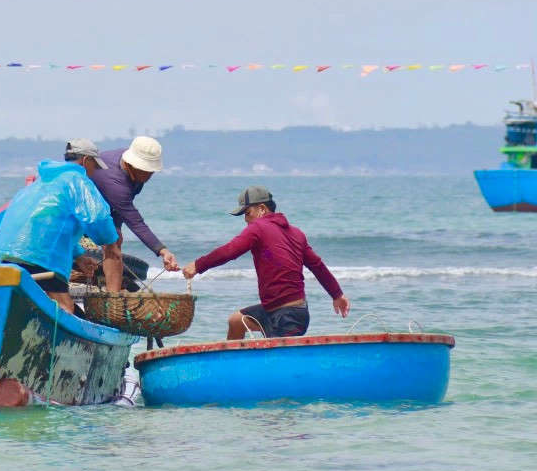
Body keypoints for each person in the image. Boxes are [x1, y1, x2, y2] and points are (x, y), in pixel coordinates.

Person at [182, 186, 349, 340]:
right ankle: (234, 367)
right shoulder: (297, 233)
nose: (246, 219)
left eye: (248, 213)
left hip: (289, 317)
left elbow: (230, 251)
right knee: (235, 321)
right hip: (274, 311)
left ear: (262, 209)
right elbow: (318, 266)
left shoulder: (258, 227)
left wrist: (198, 265)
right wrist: (337, 295)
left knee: (278, 366)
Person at [0, 140, 118, 313]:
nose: (94, 172)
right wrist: (110, 244)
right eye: (94, 165)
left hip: (5, 256)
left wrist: (79, 257)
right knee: (65, 307)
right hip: (40, 258)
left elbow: (51, 228)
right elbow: (97, 217)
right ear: (86, 160)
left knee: (19, 306)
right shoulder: (77, 180)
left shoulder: (41, 183)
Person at [87, 135, 179, 291]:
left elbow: (119, 208)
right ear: (131, 164)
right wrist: (162, 251)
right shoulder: (115, 183)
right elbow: (135, 221)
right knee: (113, 241)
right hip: (83, 205)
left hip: (106, 204)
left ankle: (112, 293)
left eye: (151, 170)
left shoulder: (134, 172)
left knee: (116, 237)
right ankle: (113, 294)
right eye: (145, 170)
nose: (149, 174)